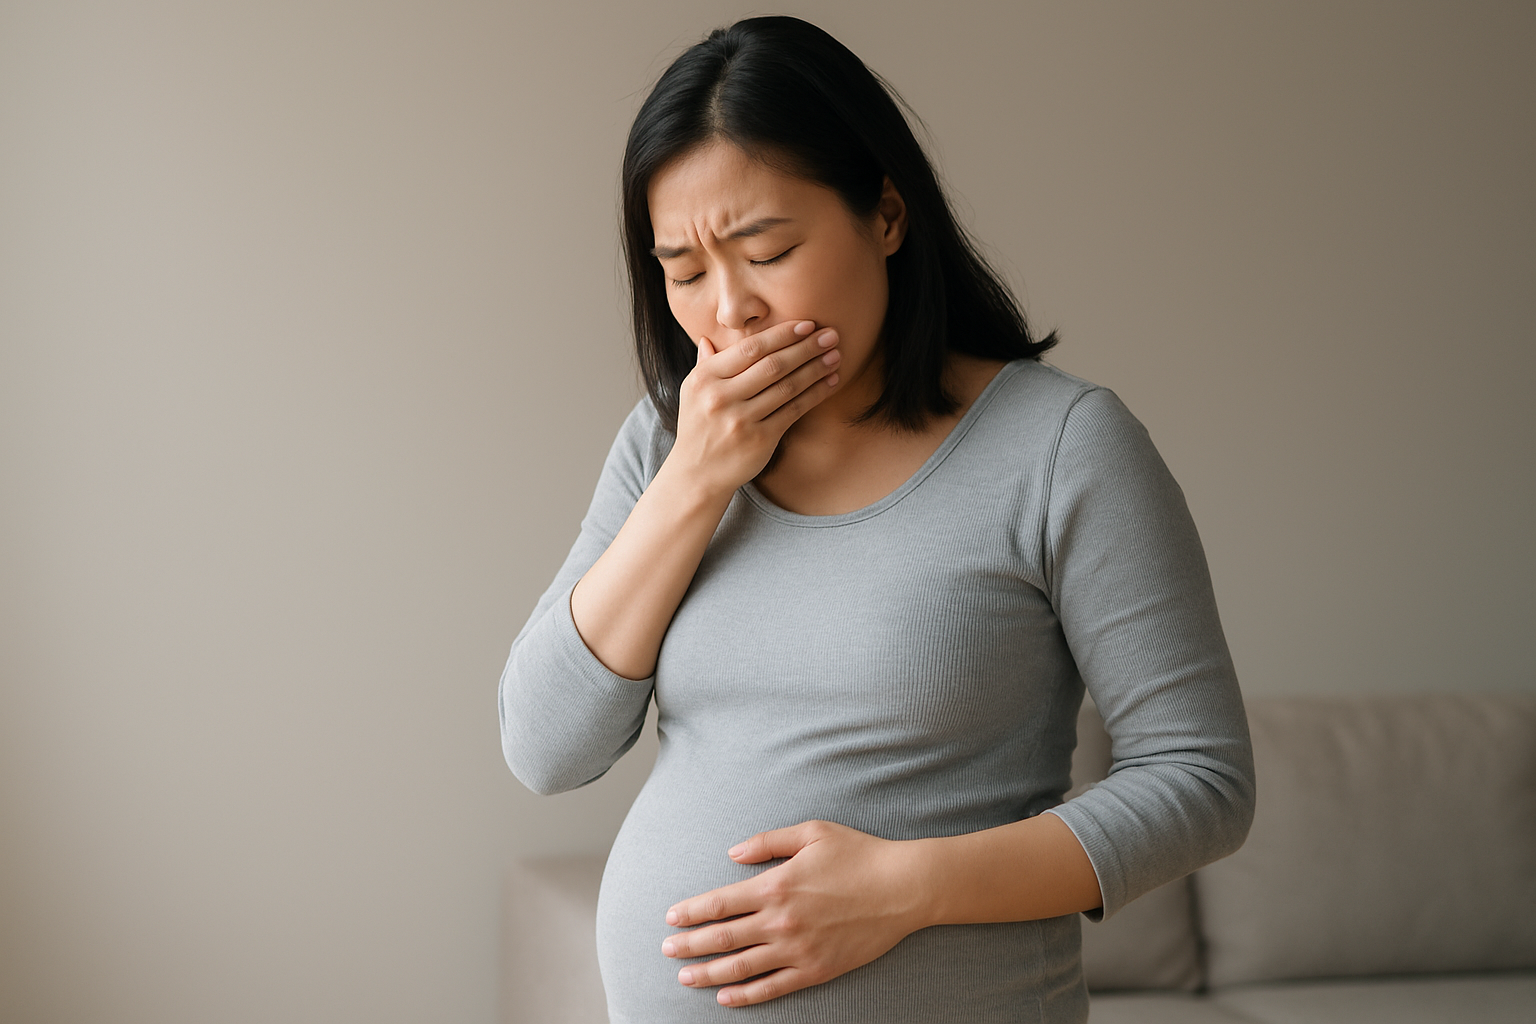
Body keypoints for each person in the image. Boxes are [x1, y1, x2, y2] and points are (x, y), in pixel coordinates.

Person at [499, 15, 1254, 1023]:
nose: (728, 312)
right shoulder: (664, 446)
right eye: (684, 271)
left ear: (886, 215)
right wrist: (694, 482)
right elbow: (546, 748)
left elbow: (1202, 779)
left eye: (767, 250)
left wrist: (903, 890)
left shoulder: (1061, 444)